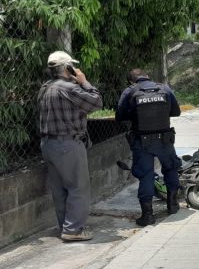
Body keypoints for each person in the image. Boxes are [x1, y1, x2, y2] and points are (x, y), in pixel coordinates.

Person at [38, 51, 103, 241]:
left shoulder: (45, 88)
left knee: (59, 190)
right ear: (68, 68)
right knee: (78, 187)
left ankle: (65, 226)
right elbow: (97, 102)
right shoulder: (68, 88)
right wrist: (84, 81)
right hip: (67, 144)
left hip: (48, 144)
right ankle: (72, 230)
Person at [116, 69, 182, 226]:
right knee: (171, 169)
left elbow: (120, 116)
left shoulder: (130, 91)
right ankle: (172, 205)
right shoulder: (164, 88)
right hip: (165, 140)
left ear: (131, 81)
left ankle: (148, 215)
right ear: (147, 76)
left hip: (142, 141)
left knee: (146, 175)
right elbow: (176, 112)